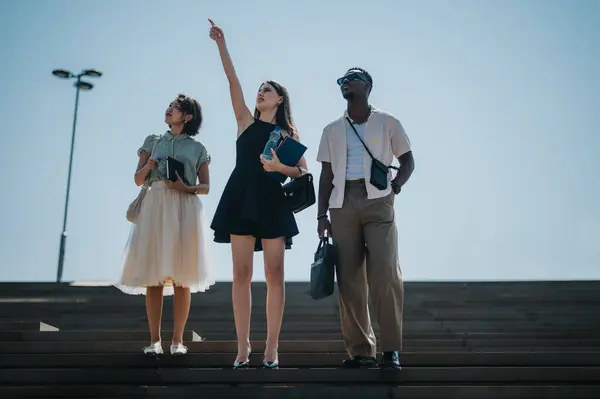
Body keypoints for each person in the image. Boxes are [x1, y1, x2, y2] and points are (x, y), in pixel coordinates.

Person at [207, 19, 307, 369]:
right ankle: (243, 348)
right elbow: (232, 81)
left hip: (272, 201)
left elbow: (304, 172)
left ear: (280, 98)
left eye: (267, 89)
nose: (260, 92)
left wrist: (281, 168)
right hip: (240, 195)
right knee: (240, 274)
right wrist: (222, 45)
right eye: (259, 89)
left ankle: (272, 348)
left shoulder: (287, 135)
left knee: (275, 273)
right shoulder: (245, 122)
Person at [316, 67, 415, 370]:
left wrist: (395, 188)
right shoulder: (331, 128)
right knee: (350, 280)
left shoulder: (388, 122)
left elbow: (408, 161)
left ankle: (390, 351)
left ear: (368, 86)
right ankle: (361, 351)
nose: (345, 82)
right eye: (342, 80)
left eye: (352, 77)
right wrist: (321, 215)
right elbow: (326, 176)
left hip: (378, 201)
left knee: (385, 273)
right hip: (342, 203)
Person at [117, 94, 215, 356]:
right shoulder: (153, 141)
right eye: (169, 106)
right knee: (153, 276)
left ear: (187, 116)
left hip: (185, 206)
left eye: (175, 108)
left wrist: (186, 187)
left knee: (183, 277)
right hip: (156, 205)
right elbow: (138, 180)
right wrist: (148, 165)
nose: (169, 110)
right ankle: (154, 341)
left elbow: (206, 186)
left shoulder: (198, 148)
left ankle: (178, 341)